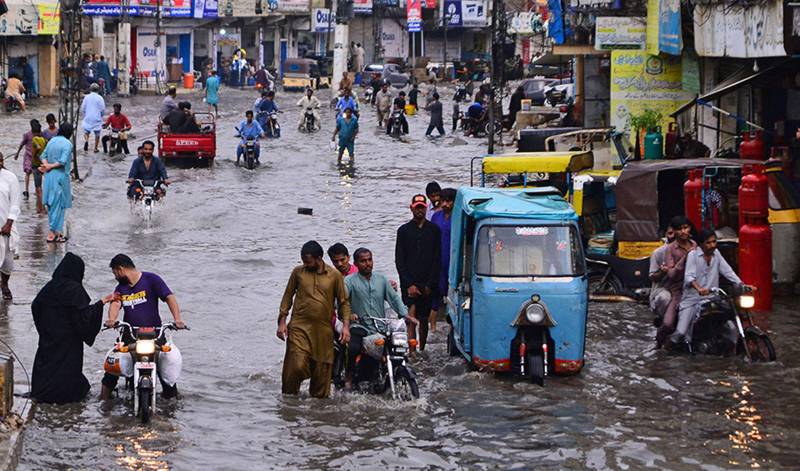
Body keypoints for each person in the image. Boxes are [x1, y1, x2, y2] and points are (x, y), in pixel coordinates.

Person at [31, 253, 117, 404]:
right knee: (68, 370)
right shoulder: (75, 290)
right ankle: (67, 396)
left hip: (49, 338)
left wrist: (45, 329)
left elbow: (36, 306)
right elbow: (84, 317)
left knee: (46, 365)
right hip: (68, 342)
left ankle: (41, 394)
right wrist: (101, 303)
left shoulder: (49, 287)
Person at [101, 254, 186, 400]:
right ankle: (104, 402)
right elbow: (115, 303)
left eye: (115, 273)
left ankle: (172, 404)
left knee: (165, 370)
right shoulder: (121, 287)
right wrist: (111, 319)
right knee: (112, 369)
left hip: (155, 334)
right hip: (130, 335)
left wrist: (177, 320)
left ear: (120, 269)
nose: (115, 277)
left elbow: (169, 297)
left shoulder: (152, 279)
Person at [277, 241, 352, 399]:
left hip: (323, 330)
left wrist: (345, 327)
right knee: (295, 365)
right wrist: (282, 322)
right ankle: (289, 402)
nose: (305, 264)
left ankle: (317, 414)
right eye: (303, 261)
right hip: (299, 326)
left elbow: (344, 303)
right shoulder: (298, 272)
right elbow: (287, 296)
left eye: (308, 262)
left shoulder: (334, 276)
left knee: (321, 373)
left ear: (319, 259)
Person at [668, 230, 755, 349]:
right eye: (708, 243)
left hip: (713, 298)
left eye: (714, 242)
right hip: (692, 299)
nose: (712, 245)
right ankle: (668, 349)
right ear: (701, 244)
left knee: (728, 315)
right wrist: (699, 288)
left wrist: (742, 284)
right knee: (681, 333)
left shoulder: (717, 254)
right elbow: (689, 277)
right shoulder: (693, 255)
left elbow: (727, 271)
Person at [344, 247, 416, 388]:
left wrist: (406, 315)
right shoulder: (349, 281)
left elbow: (394, 299)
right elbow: (341, 301)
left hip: (380, 326)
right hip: (360, 325)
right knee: (353, 348)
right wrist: (349, 314)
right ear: (356, 264)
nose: (367, 263)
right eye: (363, 261)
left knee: (397, 347)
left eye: (369, 260)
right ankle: (349, 376)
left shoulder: (381, 279)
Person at [395, 194, 441, 353]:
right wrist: (409, 284)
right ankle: (412, 351)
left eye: (422, 207)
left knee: (423, 318)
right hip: (409, 282)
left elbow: (437, 259)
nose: (419, 210)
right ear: (411, 208)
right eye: (417, 208)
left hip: (427, 282)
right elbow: (399, 260)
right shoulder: (403, 231)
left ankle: (422, 348)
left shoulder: (434, 230)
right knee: (410, 318)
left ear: (426, 208)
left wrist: (430, 284)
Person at [655, 216, 697, 348]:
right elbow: (671, 274)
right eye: (680, 229)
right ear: (675, 231)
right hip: (676, 289)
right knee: (668, 323)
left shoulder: (695, 245)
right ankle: (659, 342)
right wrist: (685, 257)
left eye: (686, 228)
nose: (684, 231)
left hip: (694, 287)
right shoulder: (670, 249)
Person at [40, 123, 74, 243]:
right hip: (60, 177)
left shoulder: (52, 140)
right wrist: (50, 165)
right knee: (58, 205)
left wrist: (46, 165)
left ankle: (57, 233)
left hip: (49, 177)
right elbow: (63, 161)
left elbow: (42, 155)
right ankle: (53, 232)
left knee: (51, 204)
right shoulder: (68, 144)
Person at [429, 188, 456, 331]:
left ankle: (452, 326)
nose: (445, 204)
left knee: (453, 293)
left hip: (453, 260)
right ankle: (432, 327)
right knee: (436, 293)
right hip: (438, 260)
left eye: (448, 201)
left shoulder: (459, 218)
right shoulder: (436, 217)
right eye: (443, 201)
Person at [649, 223, 677, 338]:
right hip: (662, 289)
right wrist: (663, 271)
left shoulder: (689, 250)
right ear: (666, 235)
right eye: (670, 233)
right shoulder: (658, 253)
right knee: (665, 298)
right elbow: (652, 276)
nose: (674, 236)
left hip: (680, 288)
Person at [0, 152, 20, 300]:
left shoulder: (10, 178)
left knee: (7, 262)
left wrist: (9, 223)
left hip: (5, 227)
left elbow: (15, 204)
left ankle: (4, 283)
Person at [13, 119, 40, 200]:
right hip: (28, 156)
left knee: (37, 173)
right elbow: (22, 144)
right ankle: (27, 190)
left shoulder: (40, 134)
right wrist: (17, 153)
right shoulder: (27, 135)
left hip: (37, 157)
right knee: (28, 172)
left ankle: (37, 189)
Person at [80, 83, 105, 153]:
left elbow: (83, 108)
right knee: (97, 134)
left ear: (90, 89)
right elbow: (102, 109)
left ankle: (86, 140)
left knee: (86, 132)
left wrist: (85, 115)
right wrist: (101, 116)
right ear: (98, 90)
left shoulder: (86, 97)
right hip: (97, 118)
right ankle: (95, 148)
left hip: (88, 117)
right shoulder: (100, 98)